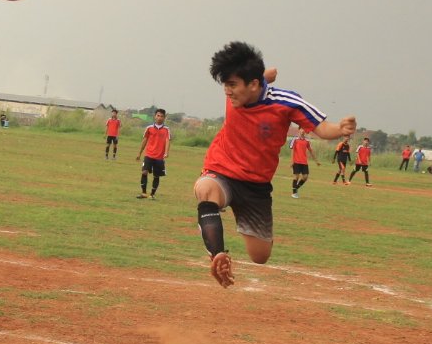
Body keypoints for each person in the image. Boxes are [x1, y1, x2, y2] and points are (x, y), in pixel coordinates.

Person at [194, 42, 356, 287]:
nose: (227, 92)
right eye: (224, 85)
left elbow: (322, 129)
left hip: (256, 186)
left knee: (260, 256)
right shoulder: (238, 92)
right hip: (221, 170)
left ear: (253, 84)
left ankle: (238, 215)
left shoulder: (286, 103)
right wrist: (266, 74)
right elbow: (262, 77)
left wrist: (340, 130)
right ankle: (218, 255)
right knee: (205, 189)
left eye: (232, 85)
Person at [135, 109, 170, 199]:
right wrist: (139, 153)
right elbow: (145, 140)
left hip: (159, 157)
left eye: (161, 116)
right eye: (158, 115)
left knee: (156, 175)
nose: (159, 118)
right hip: (149, 155)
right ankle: (143, 193)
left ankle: (152, 194)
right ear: (155, 116)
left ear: (164, 118)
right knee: (144, 172)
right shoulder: (149, 128)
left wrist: (166, 152)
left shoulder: (166, 130)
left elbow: (167, 141)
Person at [290, 129, 320, 198]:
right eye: (301, 130)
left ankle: (296, 188)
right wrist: (292, 161)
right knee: (296, 177)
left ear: (305, 132)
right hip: (296, 161)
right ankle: (294, 193)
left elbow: (311, 151)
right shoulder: (295, 139)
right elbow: (292, 150)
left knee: (305, 177)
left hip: (304, 162)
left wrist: (316, 161)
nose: (302, 131)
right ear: (299, 131)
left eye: (304, 130)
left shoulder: (307, 141)